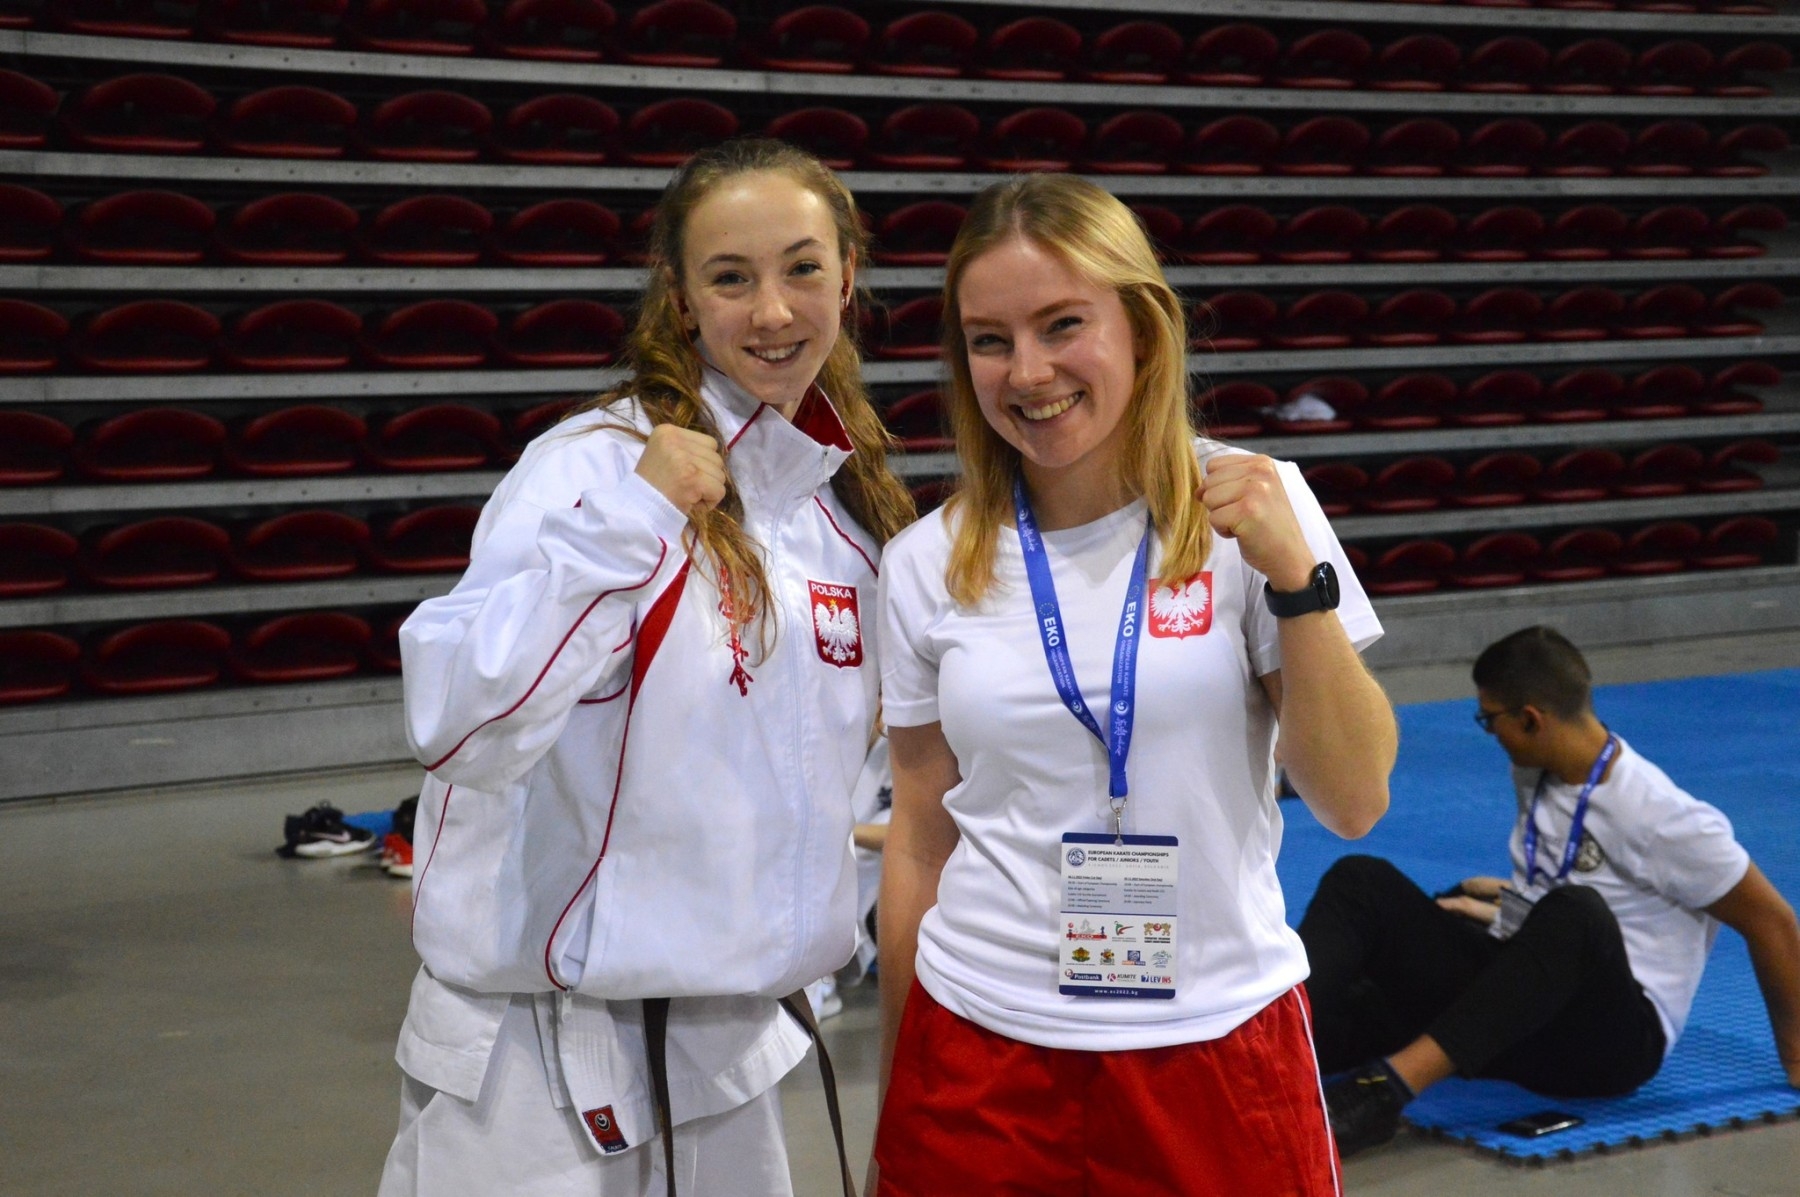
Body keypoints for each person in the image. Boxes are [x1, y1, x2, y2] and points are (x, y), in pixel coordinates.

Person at [378, 138, 914, 1197]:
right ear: (680, 298)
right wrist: (632, 520)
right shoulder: (591, 470)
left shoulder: (843, 516)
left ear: (848, 277)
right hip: (534, 1070)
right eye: (732, 277)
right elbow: (458, 722)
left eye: (803, 268)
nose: (773, 310)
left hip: (725, 1053)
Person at [870, 173, 1399, 1195]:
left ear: (1143, 329)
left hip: (1218, 1042)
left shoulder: (1253, 508)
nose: (1029, 371)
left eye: (1063, 324)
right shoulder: (926, 561)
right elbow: (920, 839)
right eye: (990, 340)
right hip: (977, 1048)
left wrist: (1296, 581)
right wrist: (897, 1090)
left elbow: (1354, 799)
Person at [1300, 625, 1800, 1158]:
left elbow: (1772, 922)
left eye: (1490, 719)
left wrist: (1796, 1060)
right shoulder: (1539, 772)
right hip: (1525, 1007)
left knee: (1578, 913)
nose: (1489, 733)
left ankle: (1383, 1092)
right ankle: (1280, 1043)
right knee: (1362, 883)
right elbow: (1558, 887)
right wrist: (1489, 906)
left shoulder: (1662, 816)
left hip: (1608, 1042)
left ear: (1531, 719)